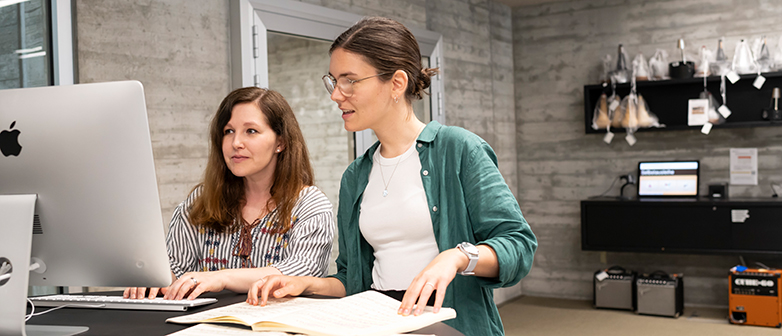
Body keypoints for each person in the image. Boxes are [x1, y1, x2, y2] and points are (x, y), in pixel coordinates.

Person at [247, 17, 537, 336]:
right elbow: (351, 279)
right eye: (333, 81)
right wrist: (303, 284)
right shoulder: (356, 175)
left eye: (350, 81)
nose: (336, 95)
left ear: (397, 83)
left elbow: (518, 245)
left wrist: (457, 257)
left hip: (448, 326)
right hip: (377, 323)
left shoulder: (458, 149)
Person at [124, 87, 334, 301]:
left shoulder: (310, 204)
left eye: (251, 131)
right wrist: (152, 279)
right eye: (228, 131)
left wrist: (220, 278)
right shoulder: (199, 202)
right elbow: (176, 272)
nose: (236, 143)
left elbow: (301, 272)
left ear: (281, 142)